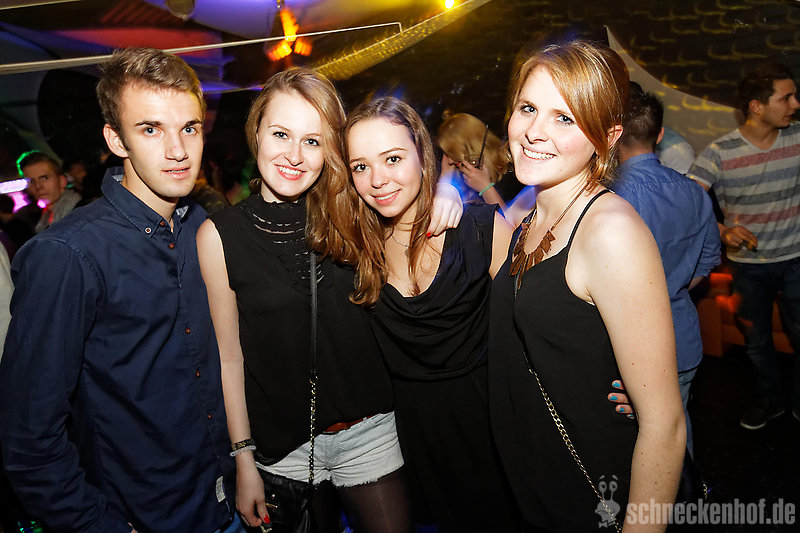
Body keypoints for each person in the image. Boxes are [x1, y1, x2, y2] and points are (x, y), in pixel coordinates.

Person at [196, 68, 462, 533]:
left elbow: (402, 179)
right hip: (283, 451)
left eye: (313, 141)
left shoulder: (352, 209)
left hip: (370, 433)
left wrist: (444, 192)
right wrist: (243, 460)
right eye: (281, 134)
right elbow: (230, 358)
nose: (294, 156)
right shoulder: (218, 236)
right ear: (256, 131)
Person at [0, 47, 243, 533]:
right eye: (151, 129)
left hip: (226, 503)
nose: (178, 150)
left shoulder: (203, 227)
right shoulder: (66, 254)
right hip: (144, 519)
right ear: (116, 139)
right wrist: (99, 524)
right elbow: (28, 438)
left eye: (189, 128)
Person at [489, 40, 685, 532]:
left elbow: (664, 425)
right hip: (539, 488)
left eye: (564, 118)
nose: (534, 131)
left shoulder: (610, 231)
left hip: (598, 494)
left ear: (608, 136)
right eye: (528, 108)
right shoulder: (532, 214)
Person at [338, 96, 519, 531]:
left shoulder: (482, 229)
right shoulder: (353, 254)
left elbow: (539, 326)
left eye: (393, 159)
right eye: (361, 166)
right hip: (411, 445)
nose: (377, 180)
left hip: (496, 430)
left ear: (423, 155)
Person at [688, 62, 800, 430]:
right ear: (756, 106)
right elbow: (689, 204)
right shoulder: (720, 152)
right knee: (756, 341)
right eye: (786, 98)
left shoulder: (797, 138)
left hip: (796, 260)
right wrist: (721, 230)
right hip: (747, 267)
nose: (795, 104)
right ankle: (770, 401)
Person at [612, 84, 720, 455]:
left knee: (631, 443)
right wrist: (671, 288)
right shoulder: (695, 193)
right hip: (681, 337)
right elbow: (706, 263)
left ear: (612, 136)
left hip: (626, 347)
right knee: (676, 431)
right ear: (659, 135)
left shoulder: (607, 199)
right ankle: (685, 489)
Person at [17, 151, 81, 233]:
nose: (38, 186)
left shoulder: (80, 210)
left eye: (45, 178)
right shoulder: (43, 222)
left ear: (62, 181)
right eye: (32, 181)